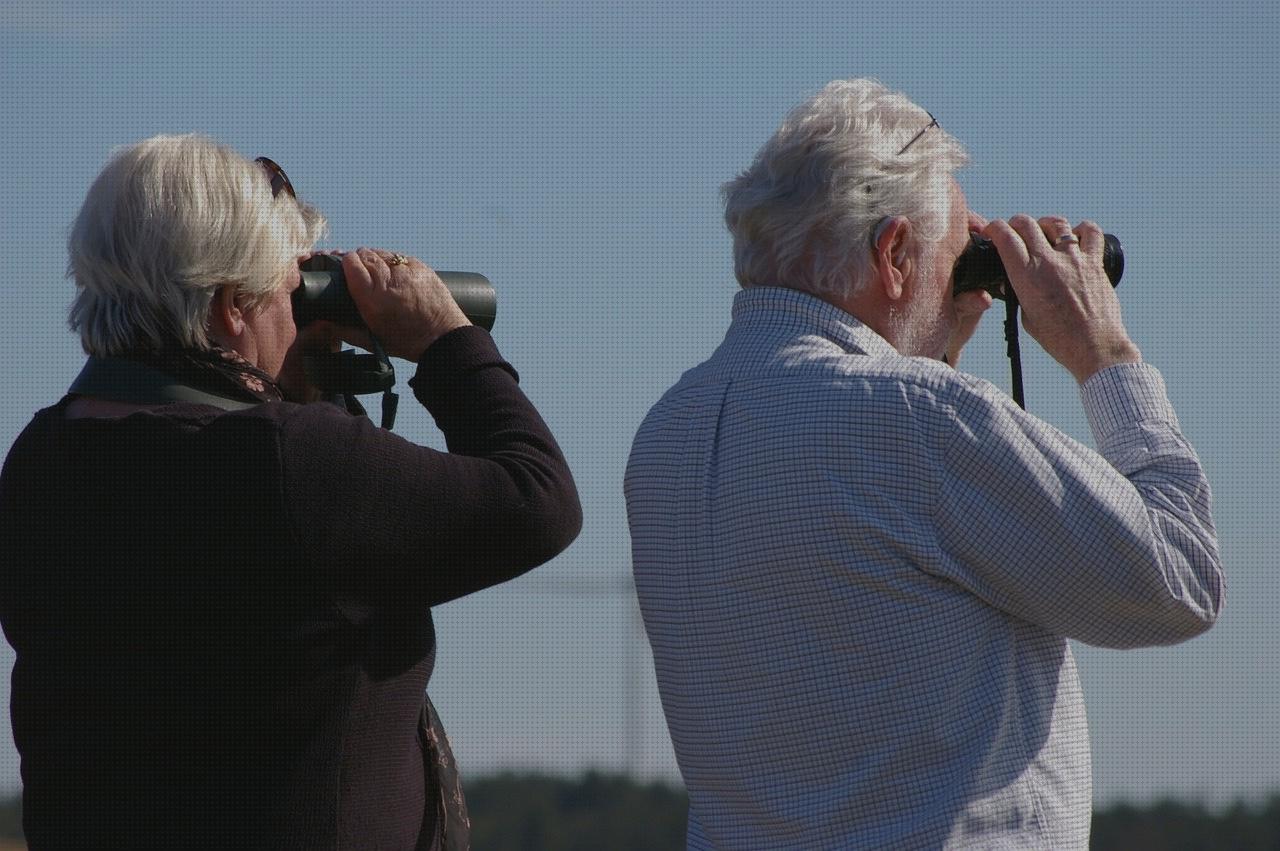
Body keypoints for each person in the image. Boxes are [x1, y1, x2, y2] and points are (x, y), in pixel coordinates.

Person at [624, 79, 1223, 849]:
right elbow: (1179, 577)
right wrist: (1104, 354)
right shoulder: (919, 419)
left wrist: (933, 343)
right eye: (956, 256)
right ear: (894, 253)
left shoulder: (667, 434)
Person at [0, 134, 582, 849]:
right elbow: (537, 499)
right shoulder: (290, 464)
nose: (300, 312)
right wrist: (446, 342)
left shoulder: (42, 459)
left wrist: (301, 385)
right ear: (230, 306)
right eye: (289, 290)